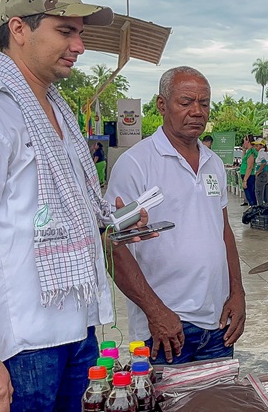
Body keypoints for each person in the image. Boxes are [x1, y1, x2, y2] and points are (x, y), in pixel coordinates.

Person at [0, 0, 151, 411]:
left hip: (76, 330)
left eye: (80, 34)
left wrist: (111, 229)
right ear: (19, 29)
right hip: (19, 346)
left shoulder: (57, 110)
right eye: (65, 31)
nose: (80, 46)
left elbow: (48, 219)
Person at [105, 66, 246, 364]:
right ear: (161, 105)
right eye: (186, 102)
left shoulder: (213, 163)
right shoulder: (136, 164)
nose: (197, 111)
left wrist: (237, 294)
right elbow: (112, 247)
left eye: (204, 103)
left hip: (217, 324)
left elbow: (224, 233)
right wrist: (156, 313)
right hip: (165, 329)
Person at [253, 138, 268, 206]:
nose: (255, 147)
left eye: (257, 145)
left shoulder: (261, 153)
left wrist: (258, 172)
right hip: (266, 174)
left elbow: (263, 163)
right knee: (266, 195)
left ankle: (260, 208)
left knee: (259, 193)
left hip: (262, 175)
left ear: (261, 146)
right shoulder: (265, 153)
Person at [241, 134, 258, 206]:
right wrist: (244, 150)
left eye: (244, 141)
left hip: (249, 176)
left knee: (250, 195)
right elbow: (243, 160)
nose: (243, 143)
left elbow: (250, 166)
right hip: (246, 175)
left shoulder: (251, 152)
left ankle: (254, 209)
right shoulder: (248, 151)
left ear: (248, 141)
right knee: (249, 195)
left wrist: (245, 180)